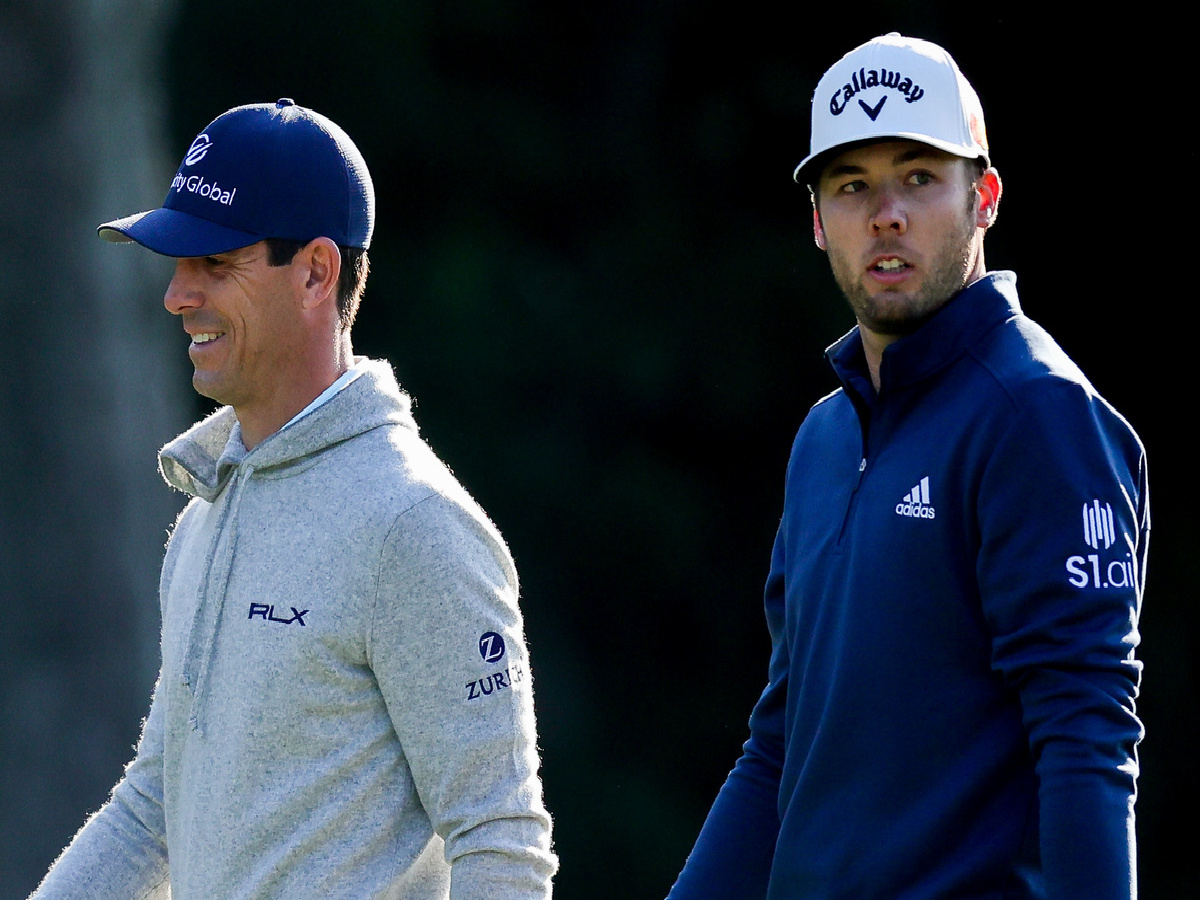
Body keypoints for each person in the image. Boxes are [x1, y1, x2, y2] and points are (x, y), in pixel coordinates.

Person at [30, 99, 556, 900]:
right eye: (177, 264)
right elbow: (152, 815)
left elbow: (501, 843)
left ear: (315, 272)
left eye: (215, 263)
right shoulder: (202, 518)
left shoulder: (415, 527)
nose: (177, 294)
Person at [666, 34, 1147, 900]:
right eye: (852, 186)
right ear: (819, 222)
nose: (886, 213)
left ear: (984, 196)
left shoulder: (1037, 416)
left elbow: (1085, 743)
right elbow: (780, 750)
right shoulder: (824, 440)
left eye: (919, 177)